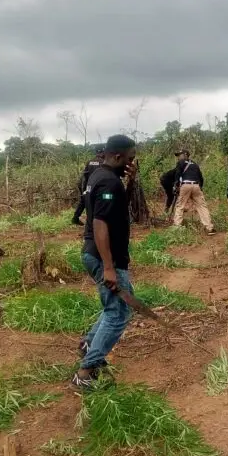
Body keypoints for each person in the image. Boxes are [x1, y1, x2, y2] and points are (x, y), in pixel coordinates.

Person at [72, 135, 137, 391]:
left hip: (96, 255)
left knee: (119, 305)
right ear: (118, 157)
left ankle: (89, 344)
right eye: (129, 159)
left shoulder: (99, 176)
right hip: (103, 257)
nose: (131, 163)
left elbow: (118, 209)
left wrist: (130, 182)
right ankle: (85, 372)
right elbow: (100, 223)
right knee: (118, 312)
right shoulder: (108, 182)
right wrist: (109, 267)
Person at [172, 149, 215, 234]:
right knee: (202, 206)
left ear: (185, 155)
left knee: (180, 206)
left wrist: (176, 186)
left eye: (179, 155)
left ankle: (177, 227)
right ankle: (209, 228)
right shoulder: (195, 164)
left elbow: (177, 174)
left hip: (185, 185)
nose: (178, 157)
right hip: (196, 186)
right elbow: (201, 178)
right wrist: (200, 188)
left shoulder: (180, 163)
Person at [71, 145, 104, 226]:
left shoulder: (89, 162)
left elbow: (84, 177)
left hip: (87, 186)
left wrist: (84, 190)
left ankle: (75, 218)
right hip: (98, 188)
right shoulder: (104, 163)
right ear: (103, 152)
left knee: (84, 201)